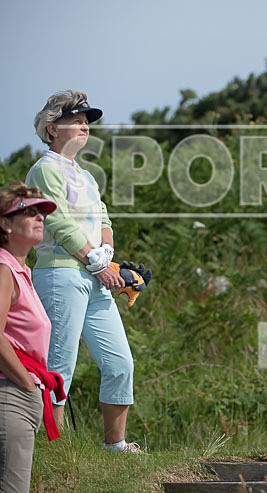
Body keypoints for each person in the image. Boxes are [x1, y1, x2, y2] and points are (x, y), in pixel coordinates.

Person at [25, 90, 141, 453]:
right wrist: (99, 262)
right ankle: (53, 446)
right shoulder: (43, 169)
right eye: (75, 120)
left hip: (93, 276)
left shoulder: (86, 176)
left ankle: (115, 445)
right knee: (61, 363)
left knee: (120, 361)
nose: (84, 126)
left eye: (86, 120)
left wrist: (106, 251)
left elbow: (104, 217)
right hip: (61, 274)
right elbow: (57, 222)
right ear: (51, 127)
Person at [0, 182, 64, 492]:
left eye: (41, 212)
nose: (39, 217)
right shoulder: (3, 269)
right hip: (10, 393)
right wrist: (26, 383)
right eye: (28, 211)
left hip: (20, 393)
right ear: (5, 223)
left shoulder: (21, 271)